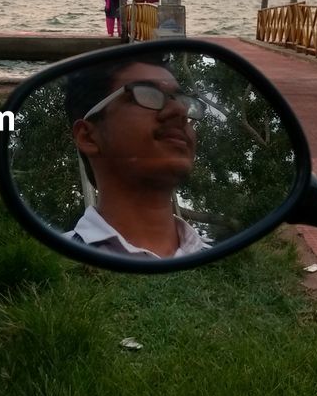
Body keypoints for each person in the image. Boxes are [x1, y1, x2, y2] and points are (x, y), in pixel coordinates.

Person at [62, 57, 210, 258]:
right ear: (88, 137)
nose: (179, 111)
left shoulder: (233, 267)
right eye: (148, 95)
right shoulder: (44, 270)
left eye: (182, 101)